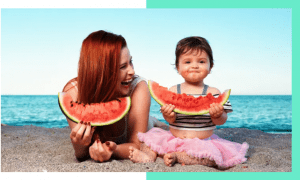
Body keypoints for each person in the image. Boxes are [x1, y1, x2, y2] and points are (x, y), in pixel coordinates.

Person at [129, 36, 249, 168]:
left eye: (201, 62)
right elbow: (171, 120)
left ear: (211, 66)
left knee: (212, 157)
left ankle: (177, 156)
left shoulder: (214, 92)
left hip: (203, 142)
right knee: (149, 140)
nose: (195, 66)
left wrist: (218, 115)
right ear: (177, 67)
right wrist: (168, 115)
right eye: (187, 62)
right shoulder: (173, 91)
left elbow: (221, 121)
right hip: (174, 139)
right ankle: (148, 156)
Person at [62, 30, 166, 162]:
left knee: (153, 125)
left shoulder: (138, 87)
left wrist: (113, 150)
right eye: (123, 66)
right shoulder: (73, 93)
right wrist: (79, 145)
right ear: (101, 71)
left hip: (144, 124)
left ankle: (155, 121)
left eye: (131, 61)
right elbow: (81, 154)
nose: (132, 71)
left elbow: (137, 145)